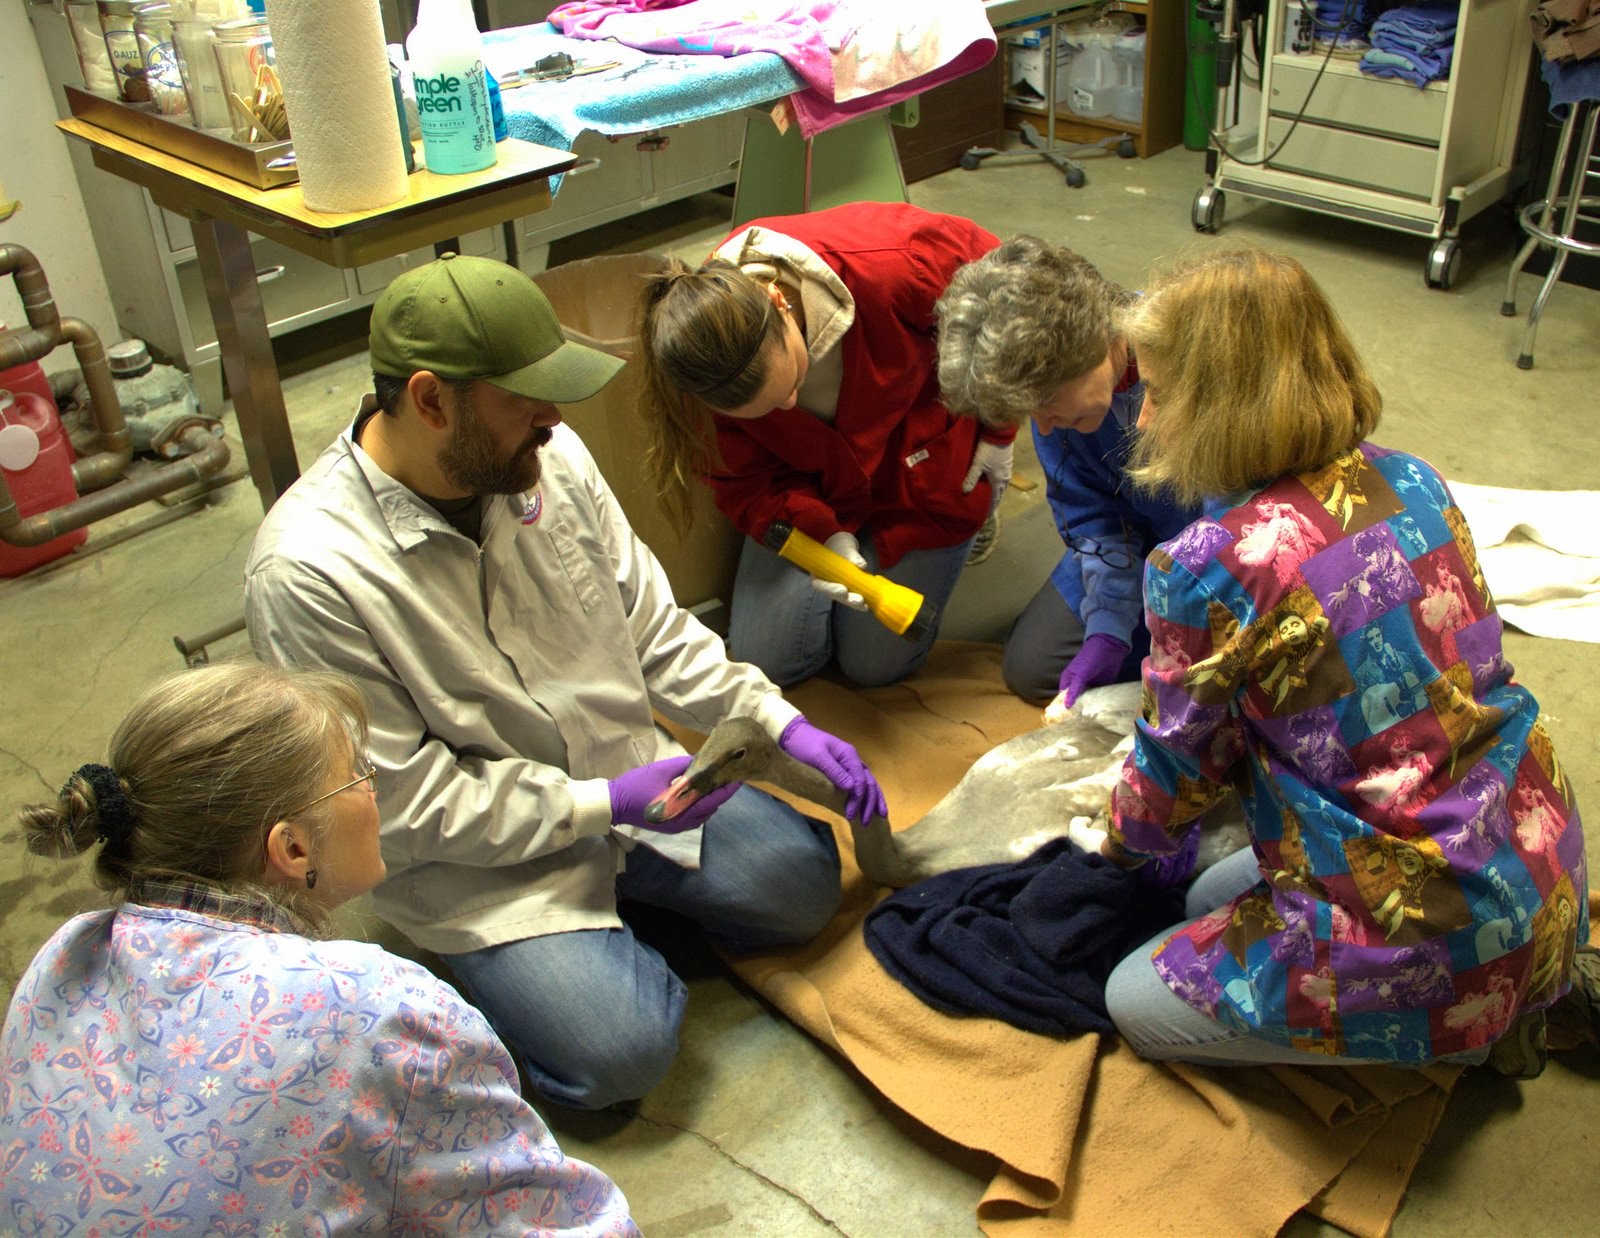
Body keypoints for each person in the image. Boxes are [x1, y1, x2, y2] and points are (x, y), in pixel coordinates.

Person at [244, 254, 881, 1111]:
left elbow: (654, 630)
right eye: (524, 399)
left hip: (635, 780)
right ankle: (521, 968)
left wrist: (774, 720)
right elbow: (404, 802)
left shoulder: (549, 460)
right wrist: (603, 804)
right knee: (622, 1056)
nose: (553, 418)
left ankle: (609, 924)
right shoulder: (309, 573)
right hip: (483, 867)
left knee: (804, 887)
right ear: (432, 400)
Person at [1082, 249, 1591, 1073]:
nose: (1140, 421)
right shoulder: (1414, 478)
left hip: (1432, 931)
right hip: (1533, 852)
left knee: (1132, 998)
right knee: (1214, 893)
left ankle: (1453, 1033)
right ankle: (1510, 998)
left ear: (1220, 404)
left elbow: (1177, 772)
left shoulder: (1206, 565)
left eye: (1162, 395)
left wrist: (1111, 846)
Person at [0, 662, 639, 1234]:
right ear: (293, 848)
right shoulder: (379, 1013)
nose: (374, 786)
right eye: (357, 776)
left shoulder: (63, 950)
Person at [637, 201, 1015, 688]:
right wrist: (820, 533)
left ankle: (973, 521)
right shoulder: (697, 369)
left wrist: (999, 424)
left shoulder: (896, 263)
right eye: (770, 409)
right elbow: (745, 482)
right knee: (770, 661)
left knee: (875, 666)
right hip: (814, 487)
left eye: (792, 379)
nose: (792, 402)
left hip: (920, 464)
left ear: (777, 300)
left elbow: (1019, 301)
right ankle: (849, 539)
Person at [935, 235, 1198, 714]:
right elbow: (1095, 520)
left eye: (1050, 404)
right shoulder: (1058, 412)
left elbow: (1257, 522)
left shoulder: (1190, 362)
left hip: (1229, 555)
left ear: (1095, 341)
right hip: (1143, 544)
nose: (1044, 426)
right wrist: (1108, 634)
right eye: (1030, 412)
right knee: (1032, 668)